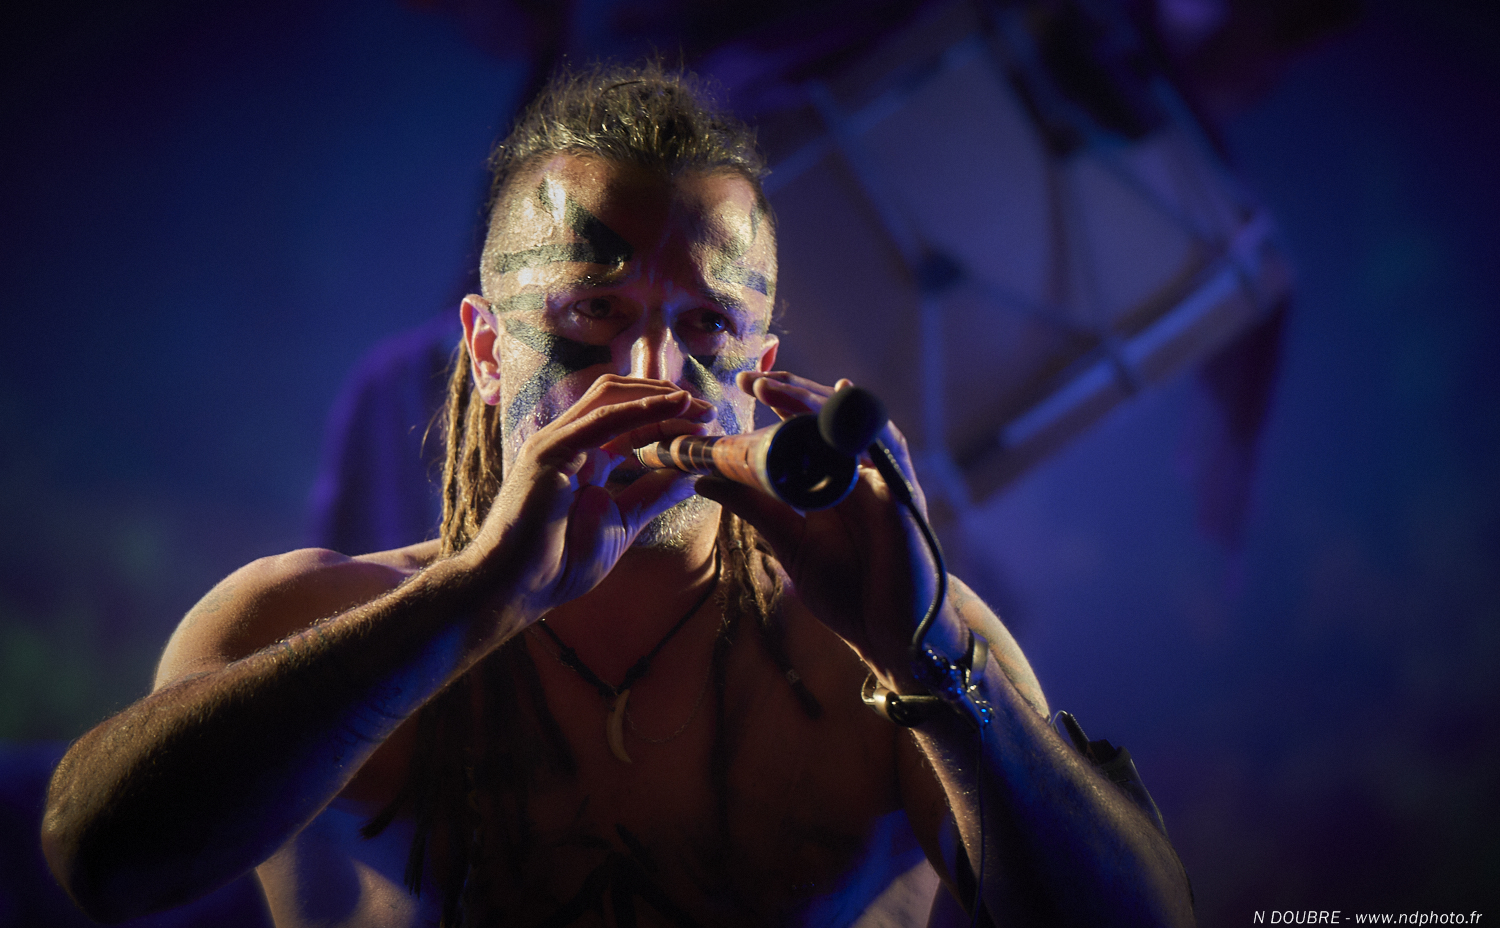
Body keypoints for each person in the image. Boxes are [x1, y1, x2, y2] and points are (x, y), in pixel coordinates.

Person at [40, 63, 1194, 928]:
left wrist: (925, 657)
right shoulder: (298, 617)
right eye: (592, 315)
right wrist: (475, 598)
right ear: (486, 351)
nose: (651, 375)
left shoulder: (903, 648)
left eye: (706, 326)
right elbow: (102, 865)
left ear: (762, 367)